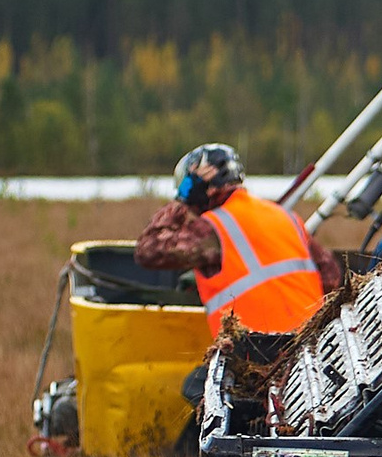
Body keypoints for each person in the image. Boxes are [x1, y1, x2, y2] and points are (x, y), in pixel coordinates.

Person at [136, 143, 342, 335]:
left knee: (195, 377)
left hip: (258, 355)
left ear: (199, 184)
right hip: (312, 346)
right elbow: (331, 276)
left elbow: (148, 250)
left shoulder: (213, 227)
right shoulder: (285, 216)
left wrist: (181, 201)